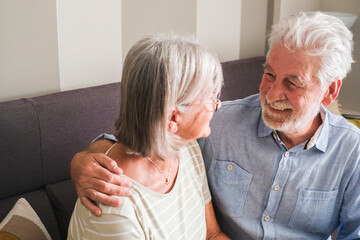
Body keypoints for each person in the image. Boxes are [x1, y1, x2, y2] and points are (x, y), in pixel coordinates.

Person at [70, 12, 360, 239]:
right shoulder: (214, 126)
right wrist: (84, 160)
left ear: (330, 91)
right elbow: (146, 137)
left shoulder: (352, 151)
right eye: (269, 74)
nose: (271, 95)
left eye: (293, 83)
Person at [68, 34, 230, 239]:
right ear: (173, 117)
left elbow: (212, 234)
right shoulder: (114, 205)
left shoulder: (187, 148)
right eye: (211, 96)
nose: (218, 104)